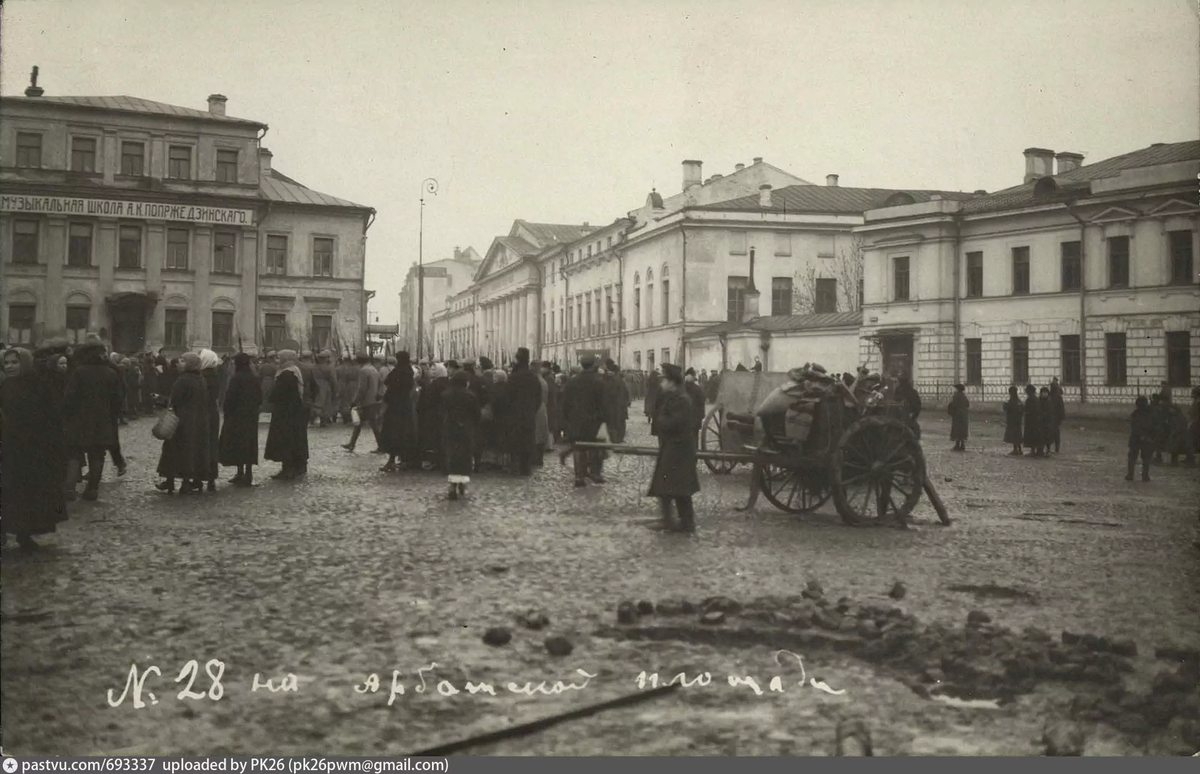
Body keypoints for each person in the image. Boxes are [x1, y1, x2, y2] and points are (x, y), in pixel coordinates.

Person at [1, 345, 69, 550]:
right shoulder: (4, 387)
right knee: (8, 491)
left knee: (29, 493)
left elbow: (52, 416)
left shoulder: (39, 385)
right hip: (9, 448)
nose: (10, 366)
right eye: (6, 363)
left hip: (34, 450)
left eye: (15, 362)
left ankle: (24, 533)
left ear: (25, 363)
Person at [62, 342, 123, 501]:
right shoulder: (111, 373)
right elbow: (118, 399)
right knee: (97, 455)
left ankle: (69, 489)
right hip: (103, 421)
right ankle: (92, 490)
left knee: (74, 454)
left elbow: (69, 398)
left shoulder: (79, 372)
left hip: (79, 420)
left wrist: (67, 416)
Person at [649, 364, 700, 533]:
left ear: (672, 381)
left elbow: (672, 423)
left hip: (679, 449)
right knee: (673, 486)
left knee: (676, 487)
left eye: (663, 379)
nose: (661, 382)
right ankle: (675, 521)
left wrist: (661, 420)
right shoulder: (673, 396)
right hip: (674, 447)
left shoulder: (681, 399)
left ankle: (682, 523)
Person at [155, 352, 211, 495]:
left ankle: (171, 481)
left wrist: (160, 399)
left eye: (183, 360)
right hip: (197, 421)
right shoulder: (201, 379)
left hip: (181, 422)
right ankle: (187, 481)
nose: (179, 363)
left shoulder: (183, 380)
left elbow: (175, 401)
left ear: (190, 364)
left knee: (173, 451)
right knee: (190, 452)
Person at [563, 355, 608, 487]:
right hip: (594, 421)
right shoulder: (599, 382)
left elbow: (566, 403)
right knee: (595, 447)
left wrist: (567, 419)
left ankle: (579, 476)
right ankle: (594, 472)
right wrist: (603, 418)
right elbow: (604, 404)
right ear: (593, 365)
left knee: (578, 448)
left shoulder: (572, 382)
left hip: (575, 420)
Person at [218, 352, 263, 487]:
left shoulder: (236, 378)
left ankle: (240, 472)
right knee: (249, 444)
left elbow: (230, 397)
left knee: (238, 444)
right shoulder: (254, 378)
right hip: (251, 416)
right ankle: (248, 473)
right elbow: (259, 397)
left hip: (237, 416)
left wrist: (226, 411)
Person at [264, 350, 309, 480]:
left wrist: (271, 397)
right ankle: (299, 466)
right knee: (296, 439)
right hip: (294, 411)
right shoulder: (295, 371)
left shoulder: (287, 374)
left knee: (286, 440)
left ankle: (288, 469)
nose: (278, 360)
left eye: (280, 357)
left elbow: (278, 393)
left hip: (285, 412)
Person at [442, 370, 481, 500]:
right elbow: (477, 415)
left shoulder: (446, 395)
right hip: (466, 430)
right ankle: (462, 484)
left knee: (452, 456)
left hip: (450, 429)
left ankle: (452, 485)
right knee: (465, 457)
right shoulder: (470, 396)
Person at [506, 348, 543, 476]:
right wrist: (532, 409)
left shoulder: (513, 377)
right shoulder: (533, 378)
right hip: (528, 414)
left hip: (514, 414)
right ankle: (526, 468)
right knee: (527, 441)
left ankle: (515, 467)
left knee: (515, 441)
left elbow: (508, 396)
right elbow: (539, 398)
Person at [380, 351, 418, 472]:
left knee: (392, 433)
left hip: (394, 407)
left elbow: (387, 382)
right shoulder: (409, 372)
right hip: (405, 406)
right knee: (405, 433)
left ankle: (391, 460)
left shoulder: (397, 372)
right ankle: (404, 461)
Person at [343, 353, 383, 453]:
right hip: (373, 400)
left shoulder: (363, 371)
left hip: (366, 402)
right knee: (361, 423)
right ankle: (352, 444)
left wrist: (355, 400)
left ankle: (381, 446)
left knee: (370, 424)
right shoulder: (374, 370)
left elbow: (362, 388)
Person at [415, 360, 447, 470]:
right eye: (431, 369)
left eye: (434, 369)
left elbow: (428, 400)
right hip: (440, 414)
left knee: (434, 438)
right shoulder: (443, 382)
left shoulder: (435, 384)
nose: (432, 371)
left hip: (433, 414)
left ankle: (435, 461)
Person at [198, 349, 222, 491]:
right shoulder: (216, 375)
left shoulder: (202, 377)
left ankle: (200, 476)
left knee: (202, 445)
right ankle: (211, 478)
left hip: (203, 413)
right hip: (213, 413)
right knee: (212, 444)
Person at [1127, 395, 1155, 482]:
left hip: (1136, 437)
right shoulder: (1150, 413)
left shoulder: (1135, 413)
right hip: (1146, 437)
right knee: (1146, 457)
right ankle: (1145, 475)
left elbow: (1134, 426)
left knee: (1132, 456)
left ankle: (1130, 474)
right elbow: (1154, 425)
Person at [602, 360, 631, 444]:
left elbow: (611, 393)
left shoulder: (614, 381)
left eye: (609, 371)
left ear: (613, 372)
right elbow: (626, 392)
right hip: (620, 405)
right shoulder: (619, 380)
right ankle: (618, 438)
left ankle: (616, 438)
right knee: (620, 421)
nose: (607, 373)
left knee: (615, 422)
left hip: (615, 405)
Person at [532, 361, 551, 465]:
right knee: (540, 435)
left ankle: (537, 458)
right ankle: (539, 458)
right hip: (542, 408)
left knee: (537, 435)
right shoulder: (543, 381)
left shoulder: (538, 381)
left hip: (537, 408)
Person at [683, 368, 706, 444]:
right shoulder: (698, 389)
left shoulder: (681, 388)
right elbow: (702, 402)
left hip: (684, 418)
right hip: (695, 418)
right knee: (694, 437)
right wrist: (701, 416)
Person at [946, 383, 970, 451]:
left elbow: (954, 405)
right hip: (964, 415)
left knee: (957, 430)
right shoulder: (964, 396)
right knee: (962, 430)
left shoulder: (956, 396)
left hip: (957, 416)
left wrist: (950, 410)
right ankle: (962, 445)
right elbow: (967, 404)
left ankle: (957, 445)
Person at [1022, 385, 1044, 457]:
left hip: (1032, 420)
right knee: (1036, 435)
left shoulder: (1031, 399)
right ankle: (1038, 450)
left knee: (1032, 436)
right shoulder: (1035, 399)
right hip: (1036, 420)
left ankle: (1034, 450)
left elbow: (1029, 409)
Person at [336, 356, 359, 424]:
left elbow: (346, 377)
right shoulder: (359, 368)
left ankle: (346, 417)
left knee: (346, 401)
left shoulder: (347, 368)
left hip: (348, 385)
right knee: (354, 401)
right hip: (357, 385)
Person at [1003, 385, 1024, 456]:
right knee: (1017, 435)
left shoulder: (1011, 401)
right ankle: (1019, 449)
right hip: (1018, 421)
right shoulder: (1018, 401)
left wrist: (1005, 404)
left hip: (1012, 421)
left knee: (1014, 435)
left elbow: (1007, 408)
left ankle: (1016, 450)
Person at [1049, 378, 1066, 454]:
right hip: (1054, 417)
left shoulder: (1055, 396)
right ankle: (1055, 448)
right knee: (1054, 432)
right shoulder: (1055, 396)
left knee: (1054, 432)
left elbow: (1060, 408)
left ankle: (1054, 448)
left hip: (1054, 417)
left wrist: (1061, 417)